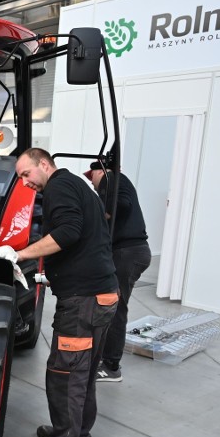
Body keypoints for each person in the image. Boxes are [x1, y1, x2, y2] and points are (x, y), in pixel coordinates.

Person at [13, 148, 119, 437]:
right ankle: (76, 436)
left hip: (83, 302)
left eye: (26, 174)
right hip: (103, 296)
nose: (25, 183)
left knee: (65, 373)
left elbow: (68, 232)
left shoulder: (59, 186)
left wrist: (20, 255)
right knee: (82, 372)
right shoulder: (76, 185)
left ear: (44, 164)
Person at [84, 161, 151, 382]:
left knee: (115, 308)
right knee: (111, 305)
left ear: (98, 171)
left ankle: (111, 367)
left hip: (128, 253)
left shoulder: (110, 179)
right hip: (129, 252)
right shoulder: (117, 183)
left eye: (90, 177)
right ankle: (104, 358)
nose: (92, 184)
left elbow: (120, 205)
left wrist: (100, 216)